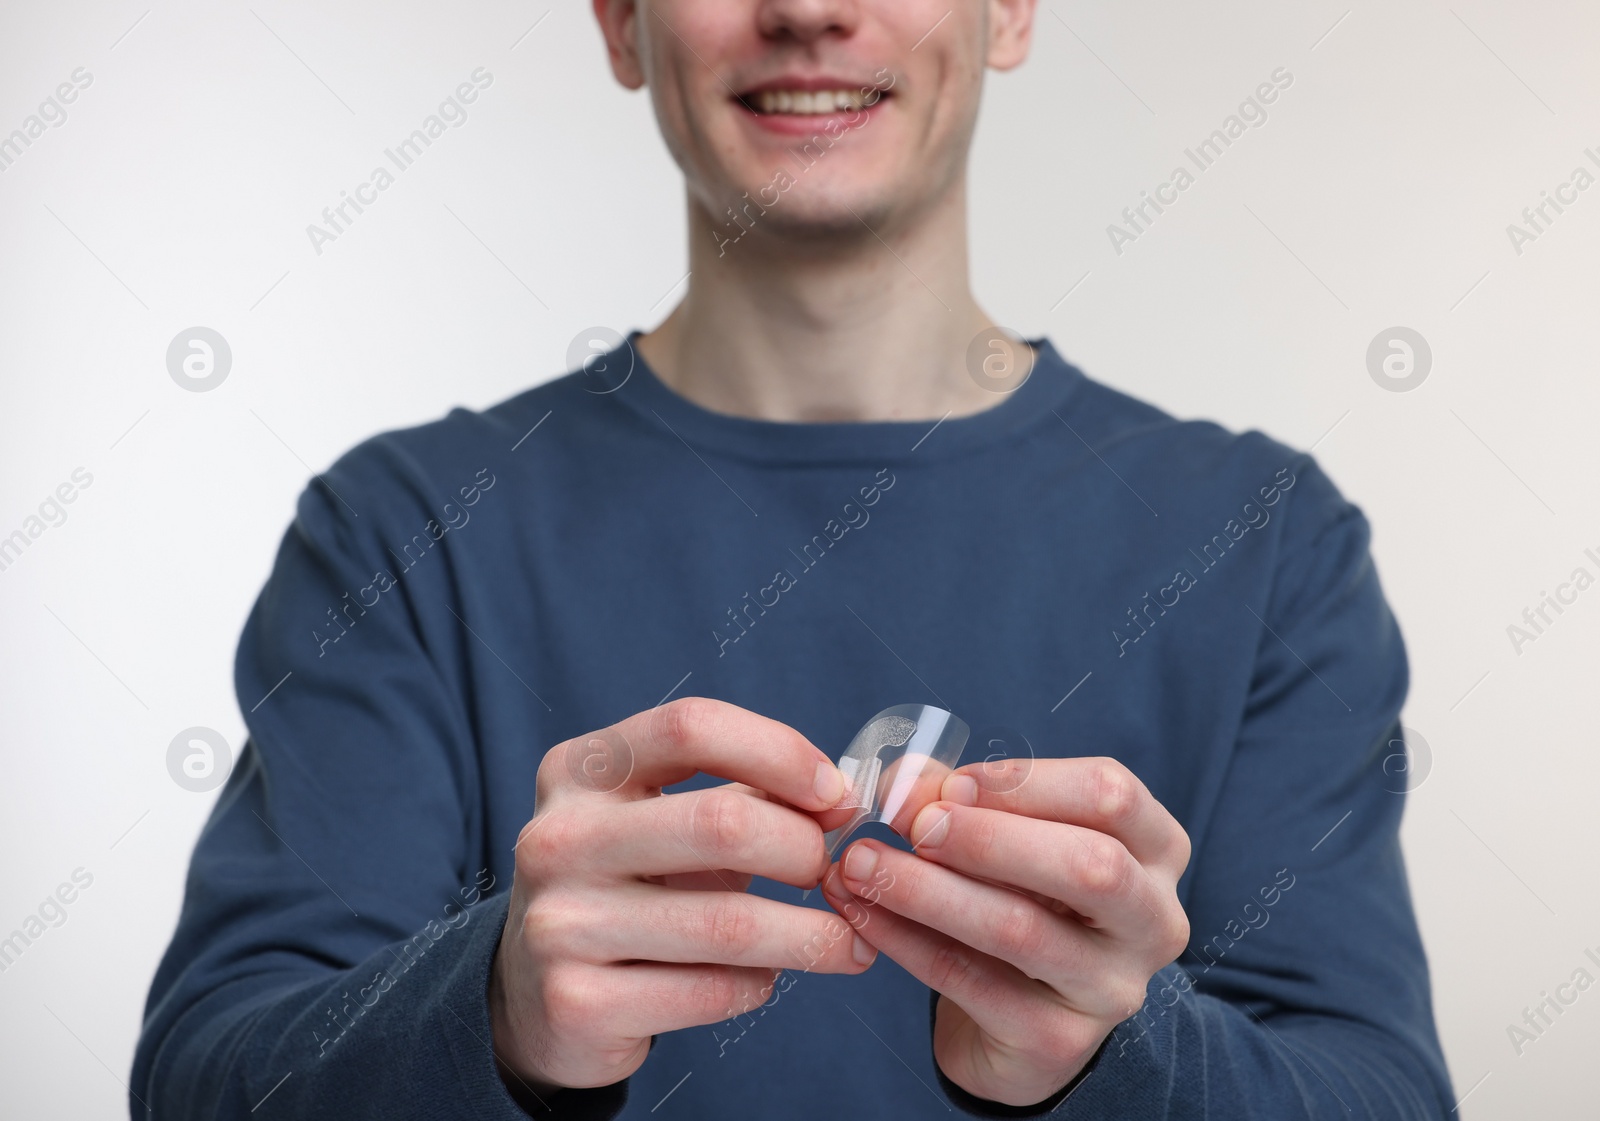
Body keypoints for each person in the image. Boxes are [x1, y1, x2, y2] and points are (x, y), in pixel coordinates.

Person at [132, 1, 1456, 1117]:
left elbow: (1380, 1089)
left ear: (1008, 7)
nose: (808, 8)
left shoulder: (1265, 536)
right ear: (616, 17)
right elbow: (203, 1078)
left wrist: (1107, 1048)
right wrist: (497, 1004)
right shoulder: (403, 527)